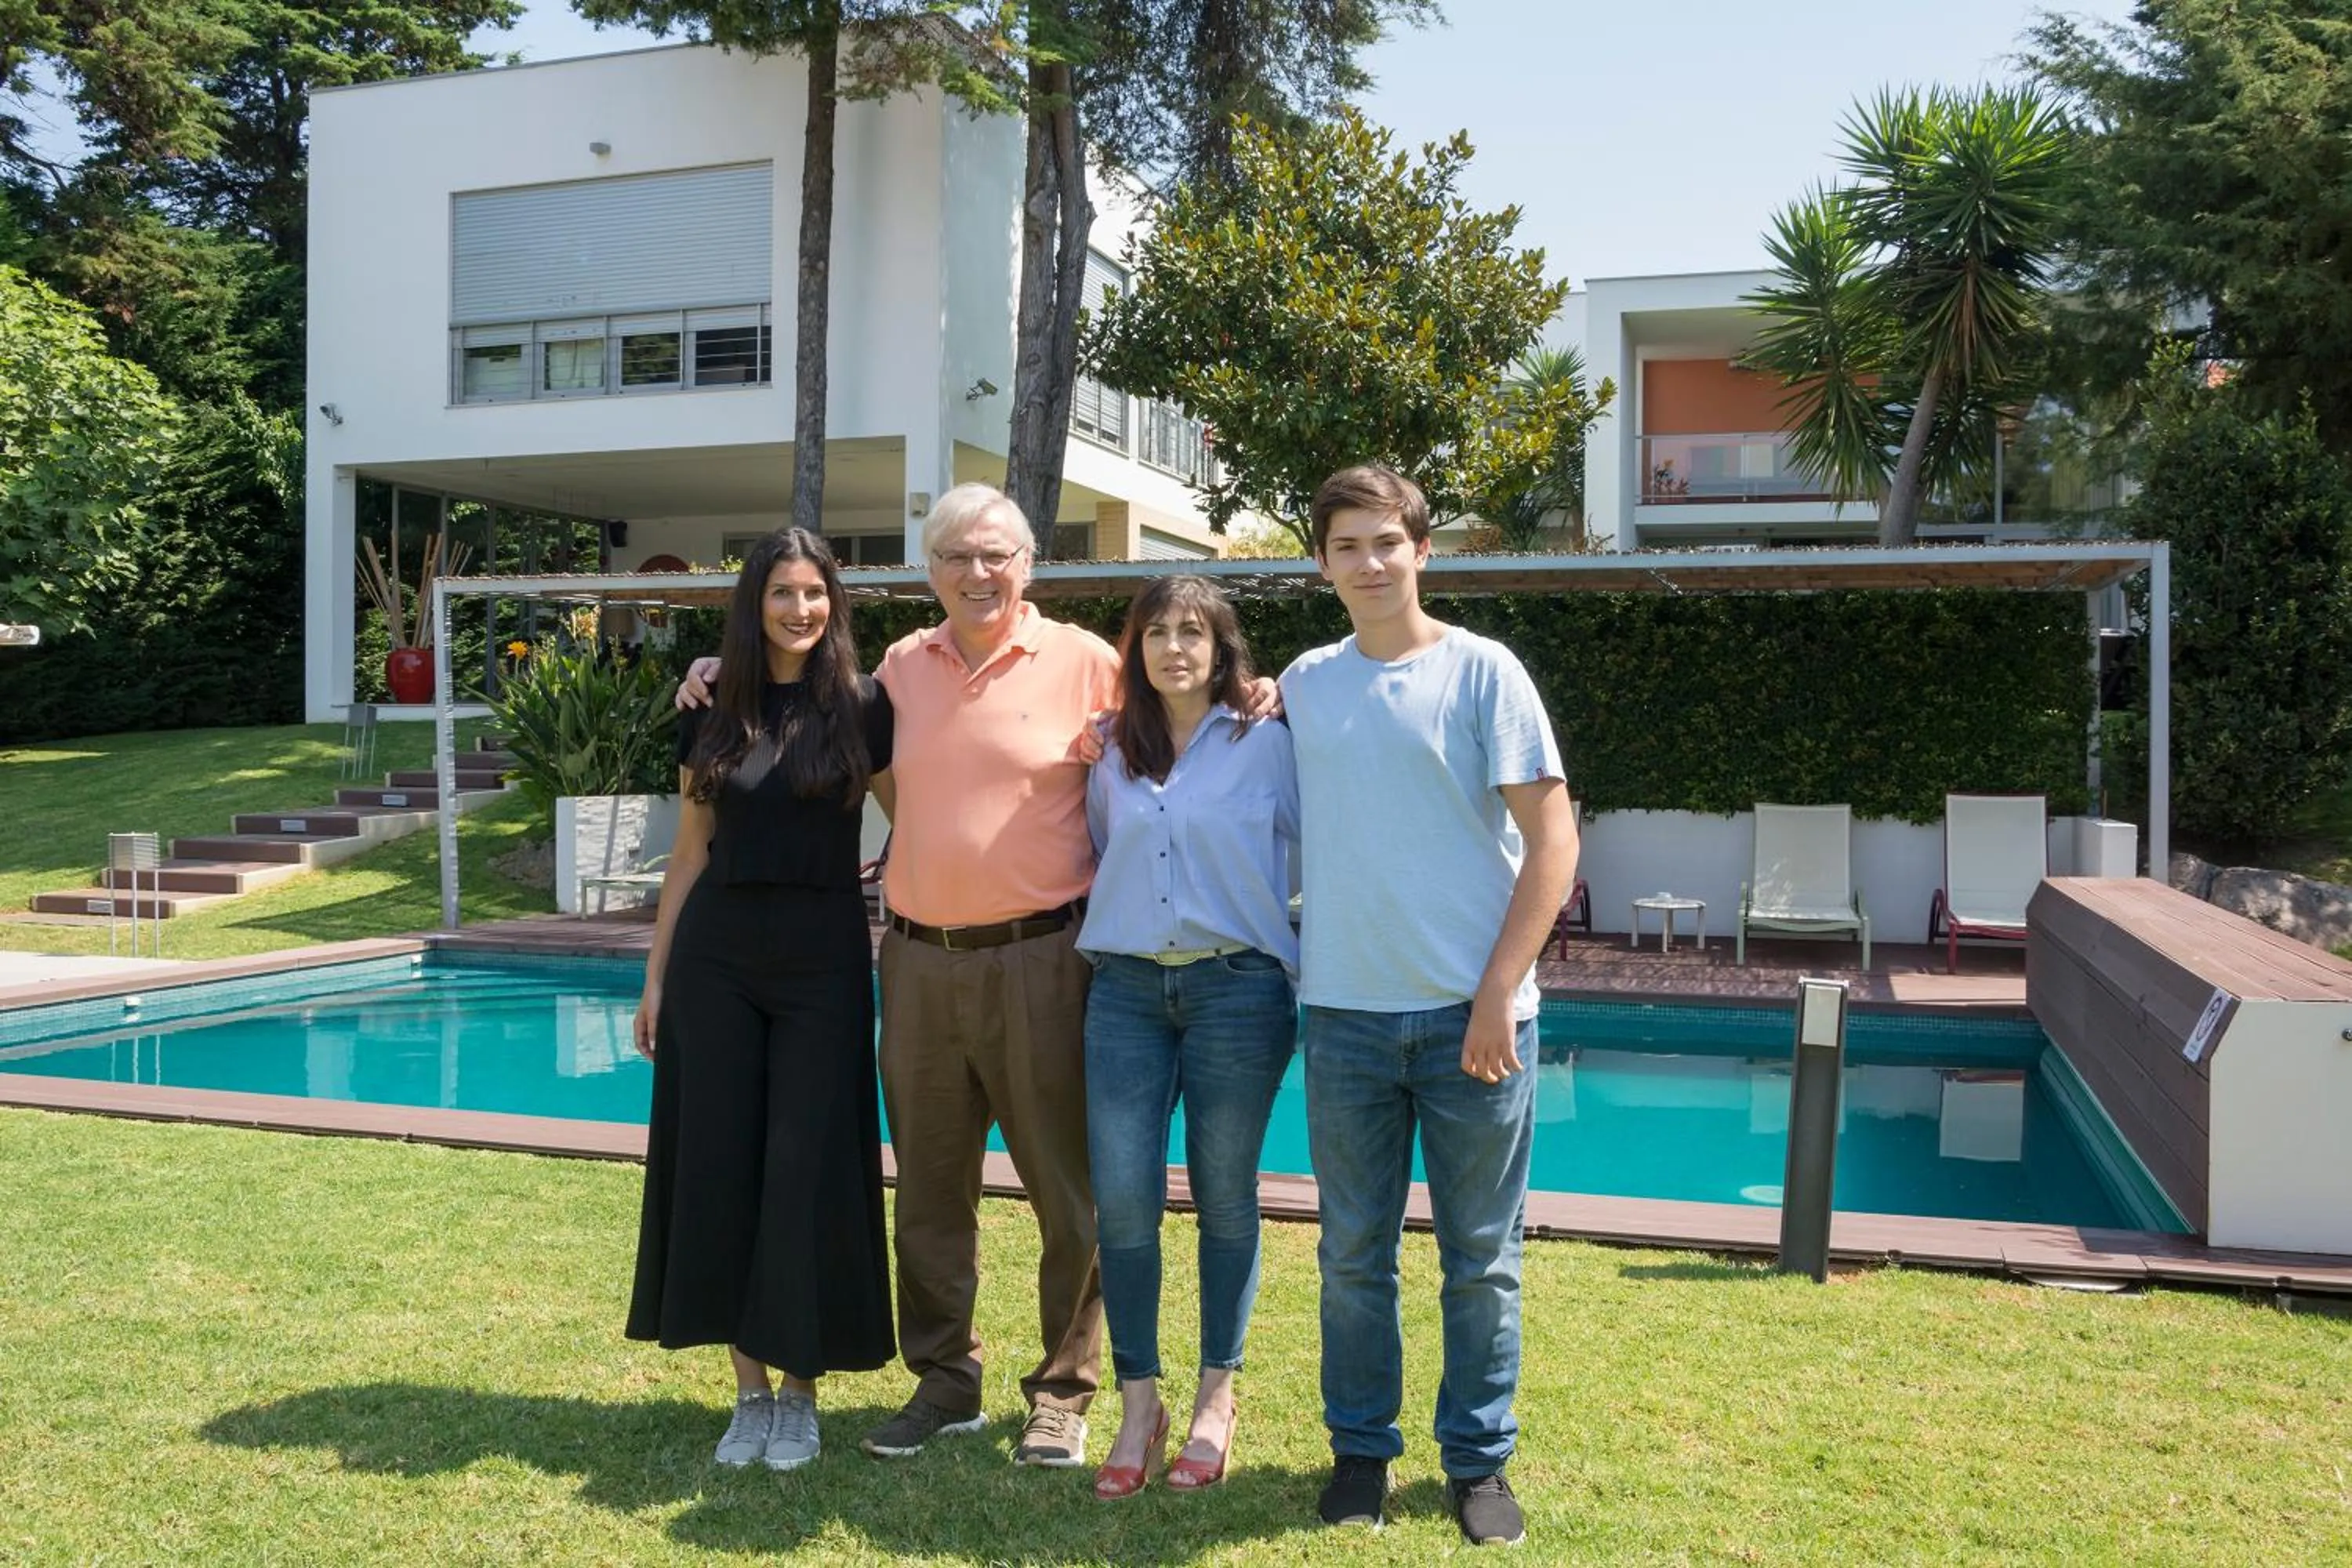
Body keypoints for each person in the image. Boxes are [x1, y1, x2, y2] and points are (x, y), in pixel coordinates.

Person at [677, 484, 1120, 1468]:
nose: (979, 572)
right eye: (958, 556)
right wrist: (718, 671)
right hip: (917, 959)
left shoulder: (1090, 663)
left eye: (997, 554)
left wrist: (1251, 694)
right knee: (926, 1193)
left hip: (1043, 955)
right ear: (930, 572)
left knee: (1066, 1189)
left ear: (1029, 564)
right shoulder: (894, 675)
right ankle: (945, 1378)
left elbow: (1183, 710)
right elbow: (798, 724)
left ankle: (1061, 1387)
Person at [1279, 465, 1579, 1548]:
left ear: (1422, 550)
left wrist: (1498, 992)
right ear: (1321, 563)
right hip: (1347, 1020)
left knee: (1480, 1259)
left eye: (1386, 542)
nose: (1369, 563)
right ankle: (1361, 1450)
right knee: (1352, 1254)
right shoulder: (1303, 684)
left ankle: (1478, 1461)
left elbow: (1556, 844)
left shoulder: (1487, 675)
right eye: (1347, 545)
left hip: (1474, 1020)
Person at [626, 526, 896, 1472]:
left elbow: (919, 817)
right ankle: (748, 1391)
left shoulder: (865, 707)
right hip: (718, 963)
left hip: (823, 960)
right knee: (726, 1166)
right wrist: (656, 977)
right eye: (782, 592)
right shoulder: (710, 708)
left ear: (835, 604)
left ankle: (802, 1393)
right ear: (755, 603)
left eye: (814, 592)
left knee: (805, 1169)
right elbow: (690, 852)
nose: (800, 608)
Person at [1075, 575, 1300, 1501]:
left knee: (1225, 1197)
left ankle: (1216, 1395)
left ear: (1222, 648)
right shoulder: (1106, 754)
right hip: (1124, 989)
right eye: (1157, 631)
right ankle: (1139, 1403)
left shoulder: (1268, 740)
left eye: (1193, 632)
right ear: (1136, 648)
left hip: (1238, 988)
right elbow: (1100, 850)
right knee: (1123, 1203)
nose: (1175, 647)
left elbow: (1318, 846)